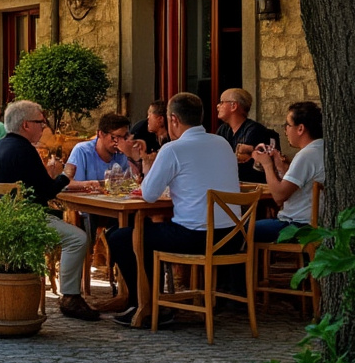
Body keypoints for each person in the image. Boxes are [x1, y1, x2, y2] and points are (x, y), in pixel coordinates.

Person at [107, 92, 243, 327]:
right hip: (232, 237)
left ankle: (146, 306)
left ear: (173, 120)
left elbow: (149, 194)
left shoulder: (173, 149)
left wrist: (148, 165)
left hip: (196, 238)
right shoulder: (222, 143)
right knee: (146, 232)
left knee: (120, 236)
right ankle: (155, 302)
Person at [0, 100, 102, 320]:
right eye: (40, 122)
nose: (44, 127)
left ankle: (71, 294)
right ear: (25, 125)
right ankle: (70, 296)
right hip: (26, 220)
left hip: (5, 218)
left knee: (72, 233)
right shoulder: (25, 150)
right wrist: (65, 173)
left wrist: (50, 175)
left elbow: (32, 186)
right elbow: (47, 192)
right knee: (78, 238)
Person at [253, 101, 326, 242]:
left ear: (300, 129)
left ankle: (246, 264)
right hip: (313, 223)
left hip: (298, 226)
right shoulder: (321, 149)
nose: (285, 130)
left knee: (243, 229)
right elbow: (298, 185)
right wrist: (281, 168)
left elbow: (279, 196)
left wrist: (267, 165)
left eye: (287, 125)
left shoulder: (306, 155)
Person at [216, 88, 279, 183]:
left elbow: (243, 164)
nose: (218, 106)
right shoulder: (223, 129)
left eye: (222, 102)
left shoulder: (255, 130)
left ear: (234, 106)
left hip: (250, 186)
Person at [64, 113, 141, 183]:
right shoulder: (82, 151)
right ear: (100, 134)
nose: (119, 142)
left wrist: (132, 155)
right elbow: (68, 184)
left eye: (124, 137)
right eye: (114, 137)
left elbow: (131, 180)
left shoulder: (121, 153)